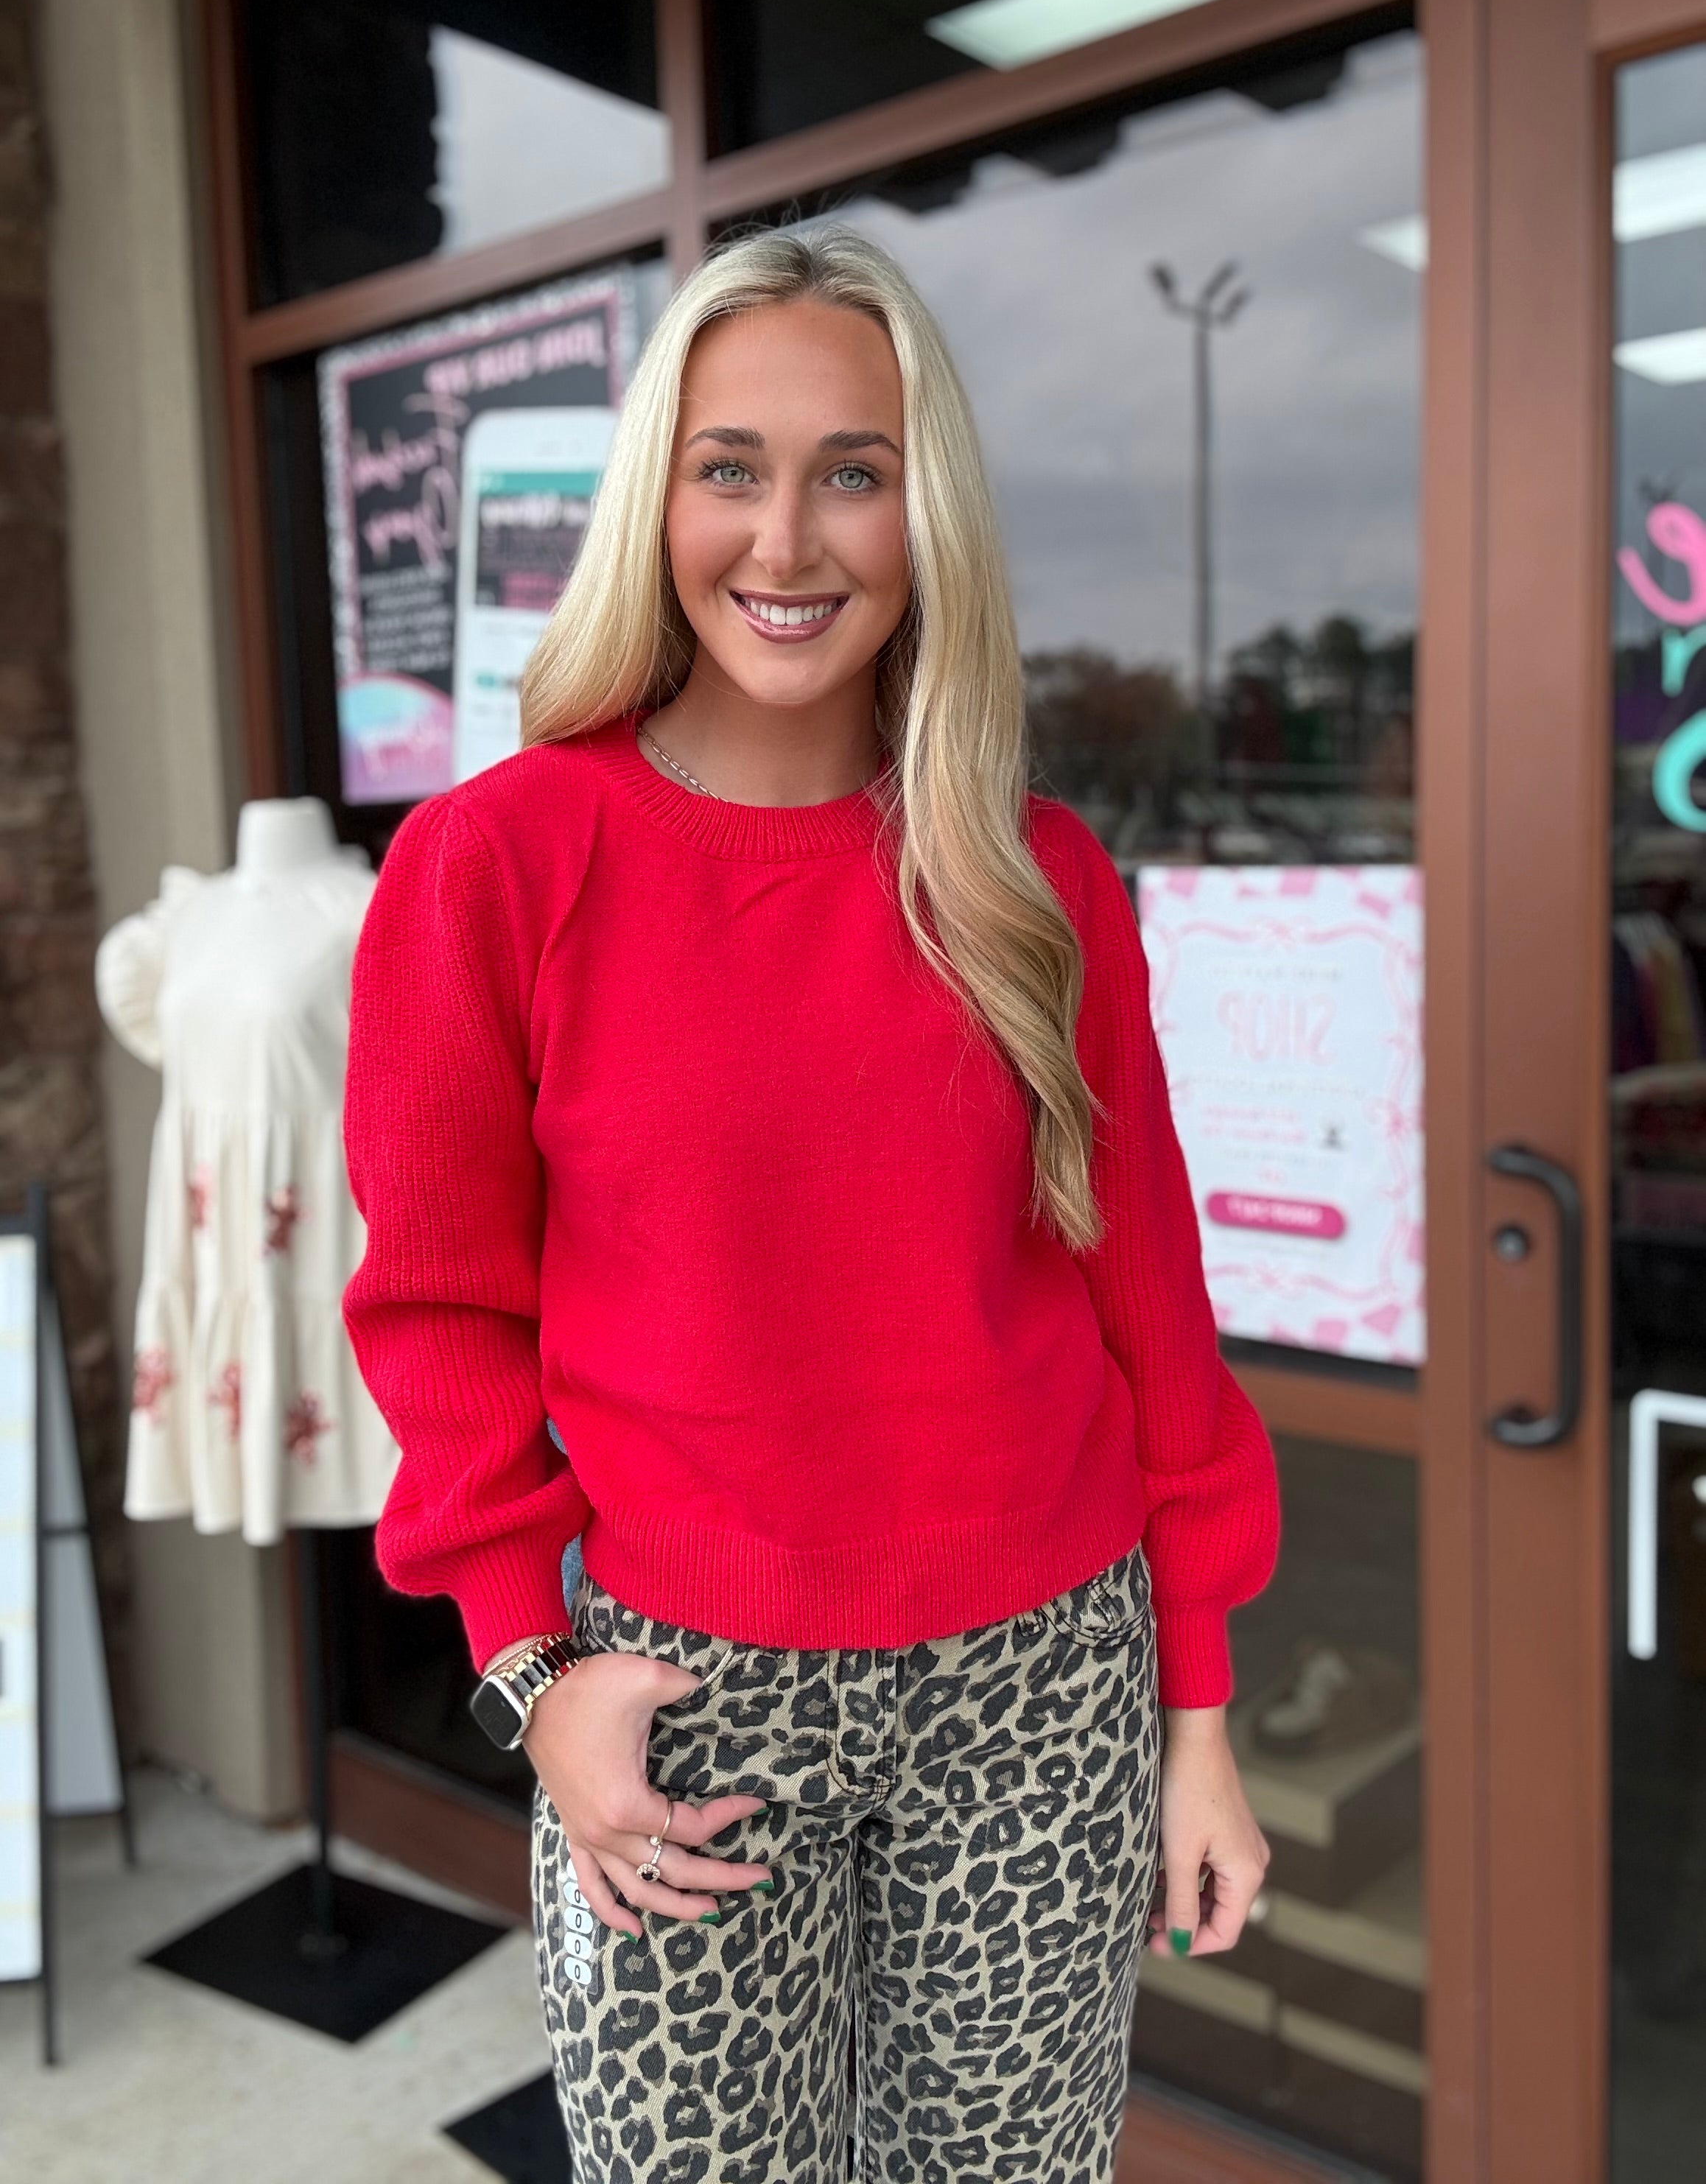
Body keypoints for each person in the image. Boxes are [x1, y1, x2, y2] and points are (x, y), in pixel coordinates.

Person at [343, 224, 1280, 2184]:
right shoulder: (495, 865)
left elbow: (1150, 1305)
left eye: (853, 471)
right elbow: (441, 1308)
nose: (788, 541)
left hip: (1042, 1679)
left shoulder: (1030, 875)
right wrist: (530, 1672)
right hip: (683, 1693)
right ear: (656, 502)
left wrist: (1196, 1713)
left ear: (926, 515)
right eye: (730, 469)